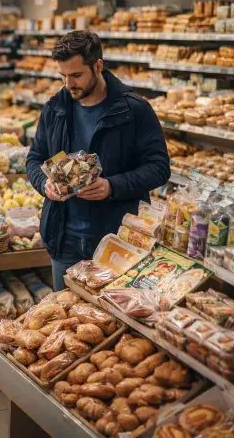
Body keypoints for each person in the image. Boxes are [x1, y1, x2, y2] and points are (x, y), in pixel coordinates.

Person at [26, 30, 170, 290]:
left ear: (98, 66)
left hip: (118, 239)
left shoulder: (134, 110)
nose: (69, 84)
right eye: (63, 76)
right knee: (67, 320)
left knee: (115, 323)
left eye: (76, 75)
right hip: (64, 237)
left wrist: (111, 186)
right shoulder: (55, 109)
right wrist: (44, 185)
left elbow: (159, 167)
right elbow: (35, 158)